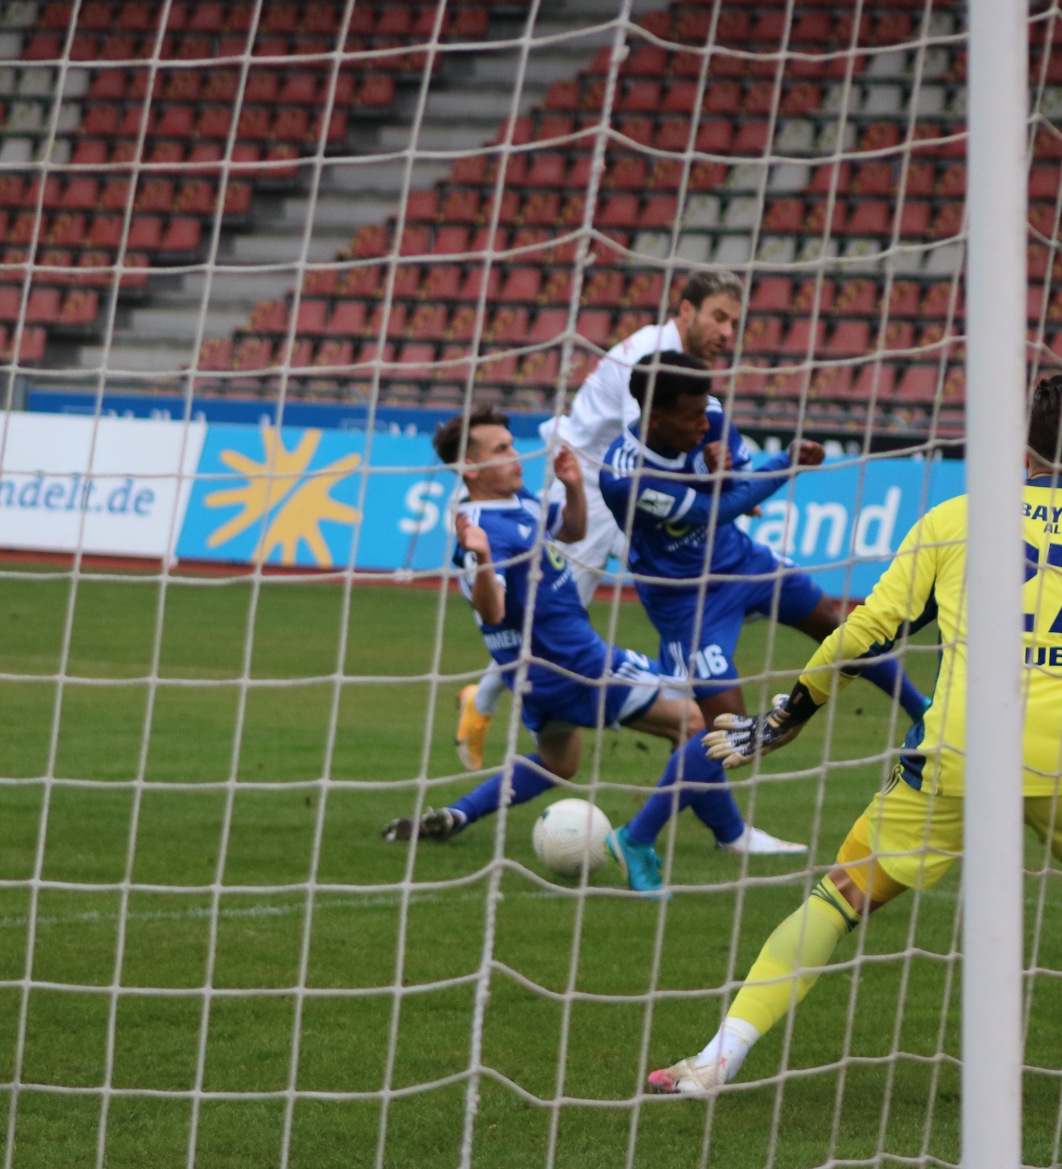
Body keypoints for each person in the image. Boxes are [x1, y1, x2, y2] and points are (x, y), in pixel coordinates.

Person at [648, 370, 1062, 1123]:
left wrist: (790, 713)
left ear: (1021, 449)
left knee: (840, 894)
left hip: (962, 748)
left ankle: (718, 1059)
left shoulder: (959, 517)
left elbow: (864, 633)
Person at [384, 408, 806, 890]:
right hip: (576, 663)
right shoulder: (481, 529)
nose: (516, 455)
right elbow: (494, 607)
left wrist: (570, 488)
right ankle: (728, 835)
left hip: (537, 676)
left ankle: (457, 815)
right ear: (472, 468)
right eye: (501, 450)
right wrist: (480, 557)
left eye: (511, 444)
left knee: (559, 763)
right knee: (697, 722)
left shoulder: (517, 503)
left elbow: (573, 532)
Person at [452, 271, 745, 771]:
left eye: (735, 323)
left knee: (691, 583)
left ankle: (688, 704)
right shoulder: (651, 356)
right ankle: (478, 705)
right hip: (589, 483)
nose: (728, 334)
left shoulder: (680, 362)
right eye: (719, 317)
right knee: (550, 616)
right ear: (686, 311)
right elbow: (655, 442)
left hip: (620, 488)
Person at [599, 351, 929, 742]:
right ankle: (667, 801)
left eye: (705, 411)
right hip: (686, 599)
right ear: (654, 418)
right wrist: (785, 463)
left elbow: (737, 484)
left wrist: (715, 473)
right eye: (692, 417)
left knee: (837, 627)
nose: (705, 424)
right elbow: (715, 510)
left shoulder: (711, 415)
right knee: (729, 735)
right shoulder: (623, 474)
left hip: (742, 560)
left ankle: (922, 710)